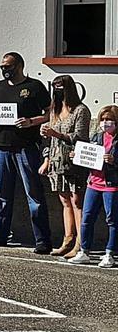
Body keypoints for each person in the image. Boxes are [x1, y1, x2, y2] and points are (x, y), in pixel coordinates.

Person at [0, 52, 53, 254]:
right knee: (2, 194)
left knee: (33, 194)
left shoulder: (34, 87)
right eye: (2, 67)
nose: (4, 70)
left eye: (8, 66)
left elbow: (50, 113)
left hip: (25, 147)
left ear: (19, 66)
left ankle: (42, 239)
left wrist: (31, 121)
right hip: (1, 147)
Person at [39, 75, 90, 258]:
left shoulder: (80, 110)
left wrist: (58, 134)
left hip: (73, 161)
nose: (57, 91)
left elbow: (81, 137)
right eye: (55, 87)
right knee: (64, 201)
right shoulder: (55, 110)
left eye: (60, 87)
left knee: (77, 201)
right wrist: (46, 159)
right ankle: (67, 239)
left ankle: (81, 243)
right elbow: (48, 140)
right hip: (56, 161)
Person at [68, 105, 118, 267]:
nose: (105, 123)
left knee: (112, 220)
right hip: (93, 183)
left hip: (111, 185)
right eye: (103, 119)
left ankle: (110, 253)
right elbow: (89, 156)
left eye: (109, 119)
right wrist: (77, 156)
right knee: (87, 218)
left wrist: (114, 161)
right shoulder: (97, 137)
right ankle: (84, 251)